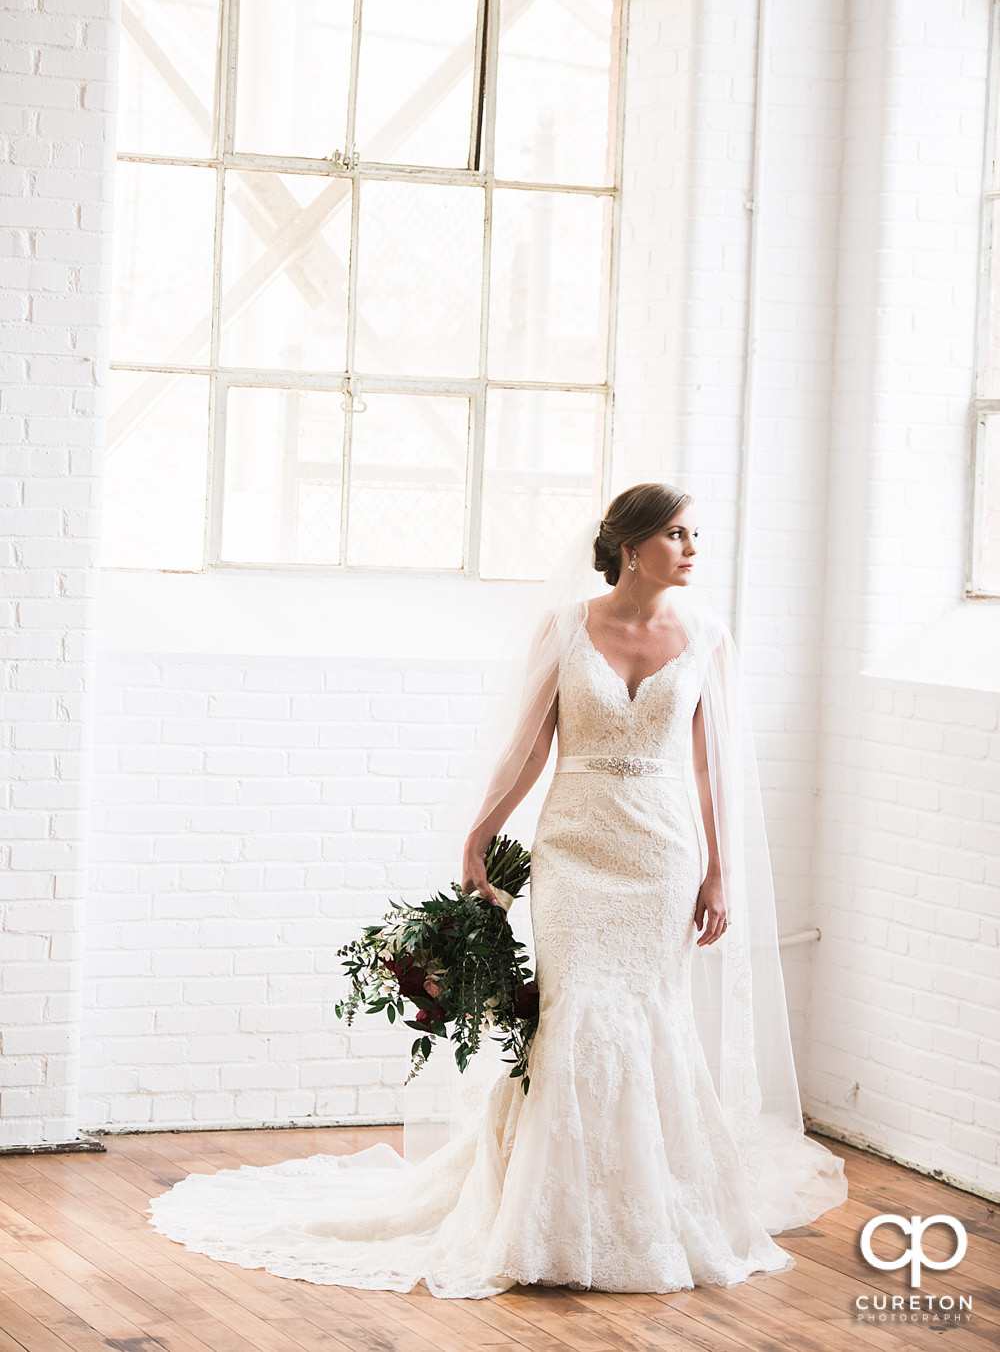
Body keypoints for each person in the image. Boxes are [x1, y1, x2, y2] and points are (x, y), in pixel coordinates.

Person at [148, 482, 848, 1297]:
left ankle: (646, 1205)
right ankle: (545, 1214)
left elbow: (708, 766)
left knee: (652, 1014)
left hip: (660, 855)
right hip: (576, 848)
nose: (693, 550)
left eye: (695, 537)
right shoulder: (565, 627)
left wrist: (720, 871)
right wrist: (482, 827)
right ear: (630, 546)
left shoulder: (709, 638)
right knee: (573, 1010)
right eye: (677, 535)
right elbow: (529, 742)